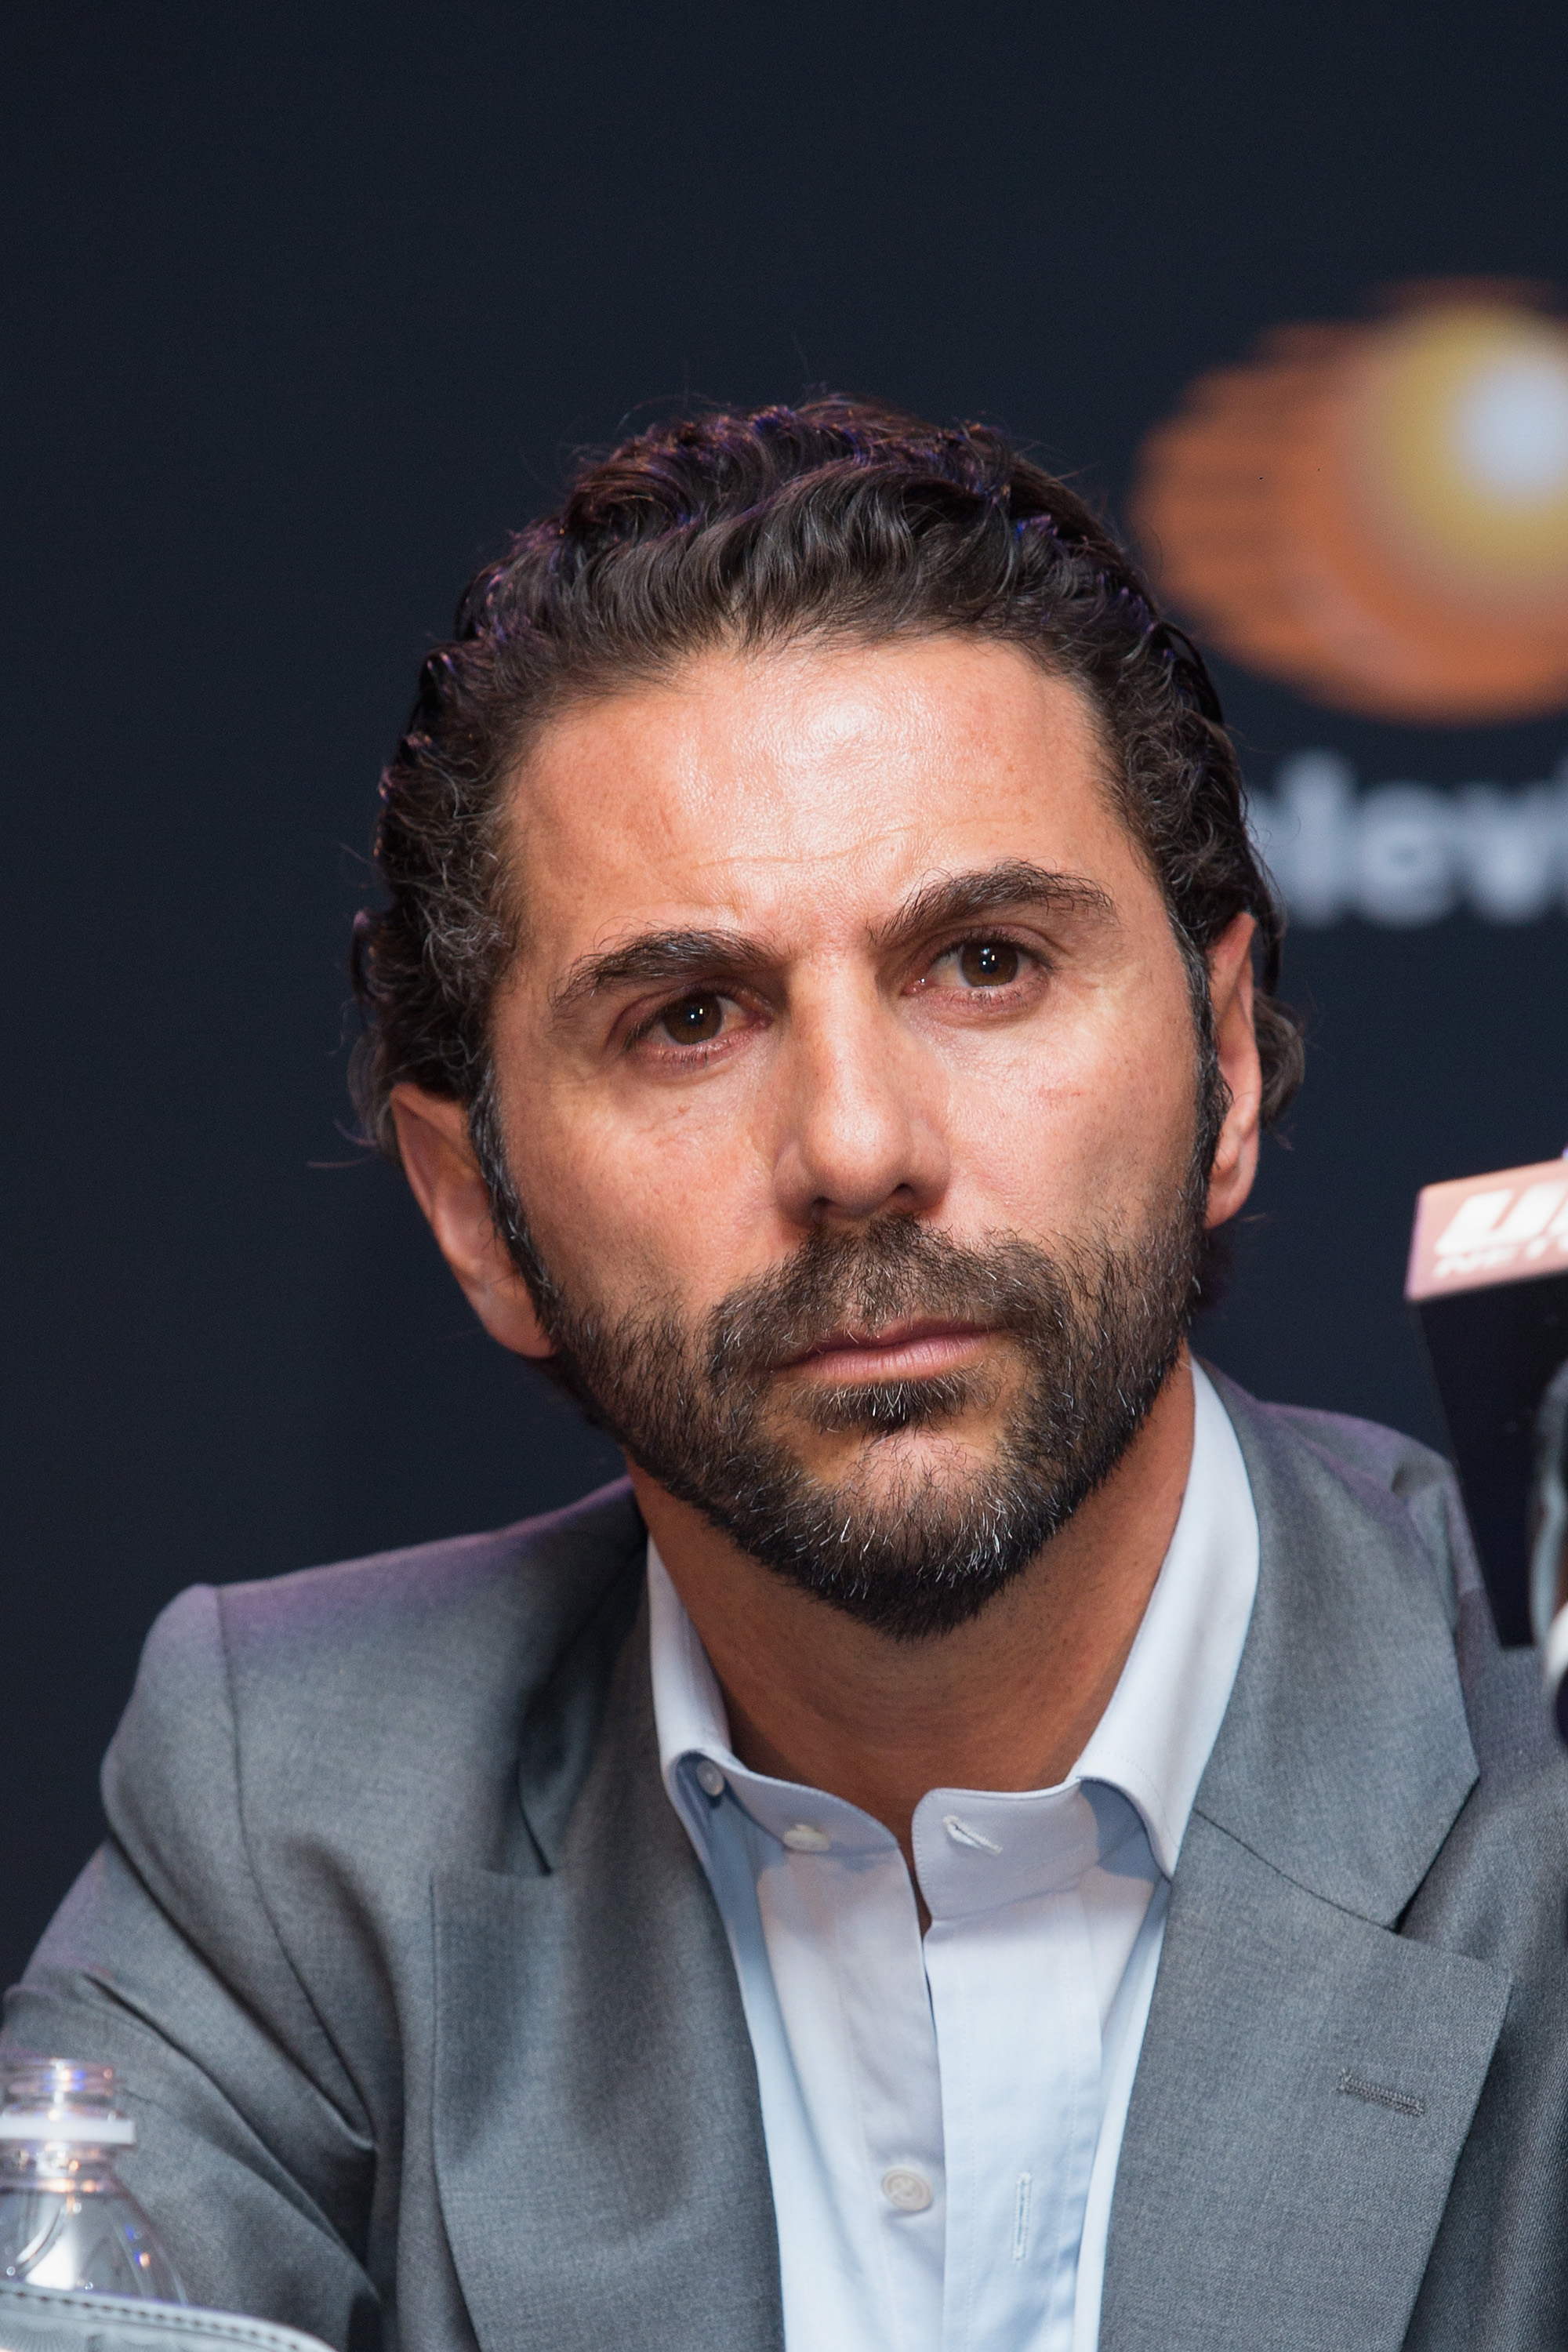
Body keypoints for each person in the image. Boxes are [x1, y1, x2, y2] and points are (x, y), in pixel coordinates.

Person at [6, 401, 1566, 2352]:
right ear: (475, 1210)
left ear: (1225, 1067)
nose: (853, 1145)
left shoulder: (1542, 1764)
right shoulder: (296, 1814)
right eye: (688, 1019)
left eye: (986, 963)